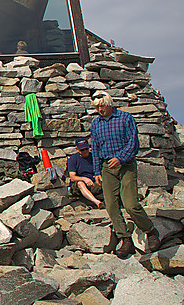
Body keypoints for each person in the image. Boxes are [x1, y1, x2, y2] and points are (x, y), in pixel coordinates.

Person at [90, 93, 161, 258]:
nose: (100, 109)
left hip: (125, 165)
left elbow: (133, 142)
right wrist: (96, 171)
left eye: (102, 106)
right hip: (107, 167)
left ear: (109, 103)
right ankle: (125, 239)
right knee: (111, 205)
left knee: (130, 204)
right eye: (97, 107)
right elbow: (95, 148)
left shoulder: (125, 118)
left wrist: (120, 158)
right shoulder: (96, 124)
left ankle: (150, 230)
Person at [66, 138, 105, 209]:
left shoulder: (93, 157)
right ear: (77, 149)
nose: (85, 151)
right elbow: (72, 177)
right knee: (80, 183)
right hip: (79, 185)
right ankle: (97, 202)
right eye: (82, 150)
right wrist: (84, 179)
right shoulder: (73, 159)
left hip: (93, 182)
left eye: (86, 149)